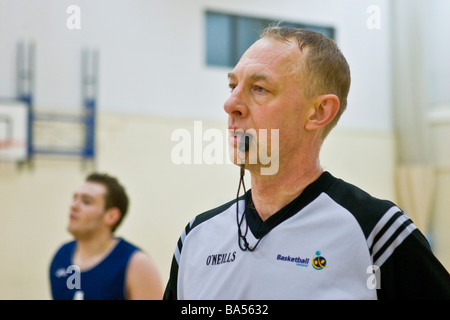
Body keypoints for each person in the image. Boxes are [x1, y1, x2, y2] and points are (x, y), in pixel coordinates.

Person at [163, 26, 450, 300]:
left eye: (259, 88)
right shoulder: (195, 238)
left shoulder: (377, 232)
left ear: (318, 112)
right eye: (232, 86)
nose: (230, 105)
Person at [49, 172, 163, 300]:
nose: (73, 206)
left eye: (86, 202)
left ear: (111, 216)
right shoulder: (61, 255)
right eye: (74, 198)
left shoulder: (136, 263)